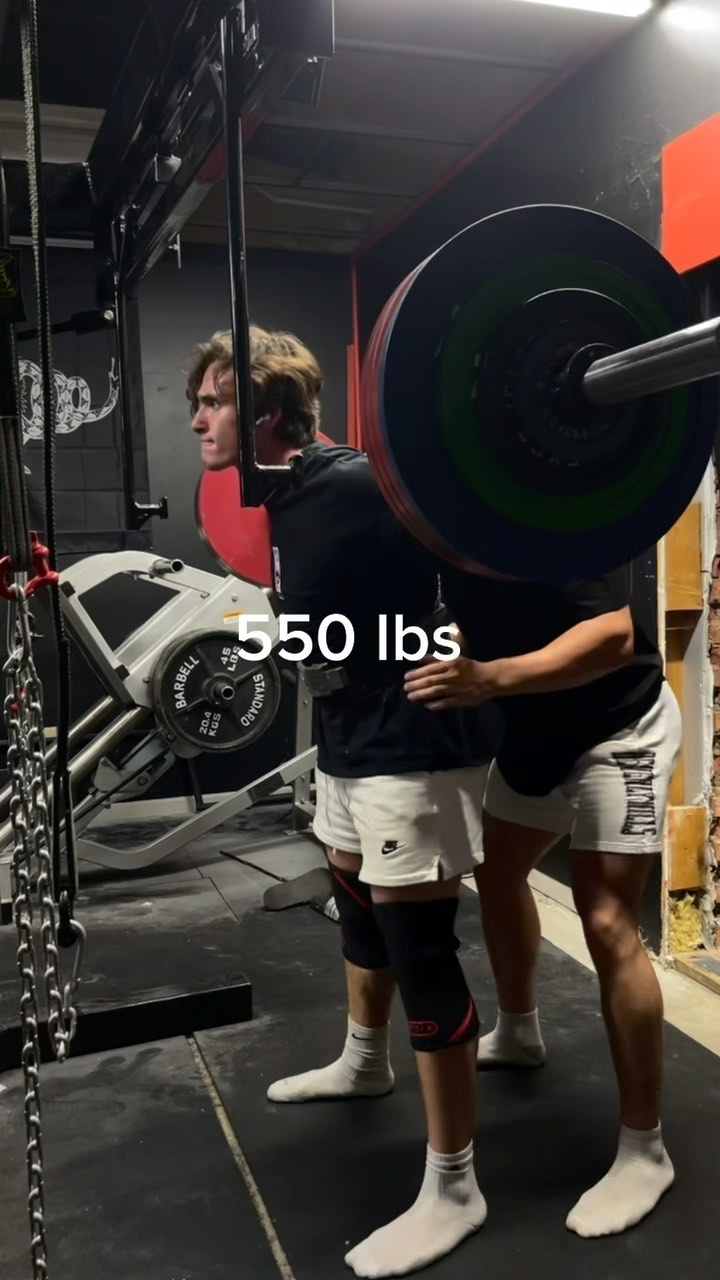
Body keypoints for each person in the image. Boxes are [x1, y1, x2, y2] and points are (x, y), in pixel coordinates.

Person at [187, 326, 500, 1279]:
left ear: (269, 411)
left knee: (420, 949)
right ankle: (365, 1059)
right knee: (356, 907)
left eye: (215, 401)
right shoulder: (281, 496)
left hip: (412, 742)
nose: (197, 419)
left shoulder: (360, 485)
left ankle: (456, 1187)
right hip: (348, 736)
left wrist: (469, 650)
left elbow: (477, 558)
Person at [404, 568, 681, 1241]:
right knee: (497, 872)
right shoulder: (445, 538)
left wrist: (489, 677)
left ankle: (645, 1151)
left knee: (607, 918)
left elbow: (614, 636)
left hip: (622, 727)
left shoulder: (544, 533)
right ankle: (520, 1032)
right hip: (536, 729)